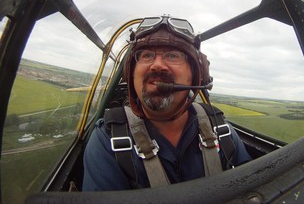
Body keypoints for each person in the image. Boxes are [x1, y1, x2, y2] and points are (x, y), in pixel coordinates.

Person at [83, 16, 251, 191]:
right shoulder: (108, 140)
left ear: (195, 74)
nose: (157, 65)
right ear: (130, 73)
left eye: (172, 55)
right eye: (147, 55)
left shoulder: (222, 131)